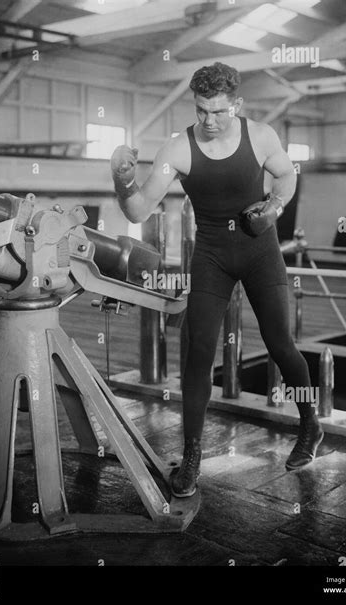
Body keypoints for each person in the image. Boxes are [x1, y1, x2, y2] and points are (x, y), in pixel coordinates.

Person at [110, 62, 323, 498]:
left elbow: (287, 174)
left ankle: (310, 423)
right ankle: (191, 456)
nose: (208, 121)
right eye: (201, 110)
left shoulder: (261, 136)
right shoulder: (177, 149)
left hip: (260, 252)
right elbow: (137, 211)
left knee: (280, 343)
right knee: (199, 348)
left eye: (219, 112)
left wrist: (276, 206)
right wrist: (123, 179)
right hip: (210, 256)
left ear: (237, 105)